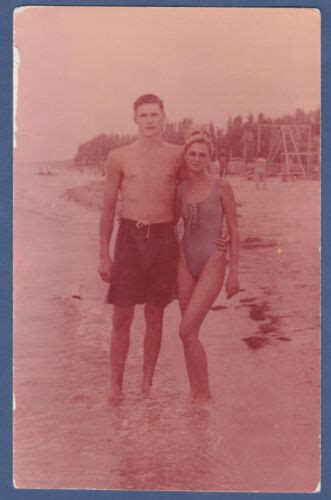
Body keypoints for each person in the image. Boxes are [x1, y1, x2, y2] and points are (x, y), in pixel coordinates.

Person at [98, 94, 183, 402]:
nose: (149, 120)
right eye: (143, 115)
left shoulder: (177, 156)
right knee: (121, 318)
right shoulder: (119, 157)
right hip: (129, 239)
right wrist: (103, 253)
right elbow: (108, 208)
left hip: (163, 240)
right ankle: (115, 387)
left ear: (164, 118)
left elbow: (192, 198)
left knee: (155, 317)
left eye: (154, 115)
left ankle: (146, 385)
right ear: (135, 119)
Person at [176, 130, 240, 405]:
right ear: (185, 155)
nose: (197, 159)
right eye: (192, 154)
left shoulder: (221, 185)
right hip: (184, 261)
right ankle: (195, 392)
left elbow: (235, 231)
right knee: (189, 334)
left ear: (208, 158)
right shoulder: (181, 188)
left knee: (186, 331)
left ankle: (205, 394)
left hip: (213, 260)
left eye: (202, 155)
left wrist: (234, 273)